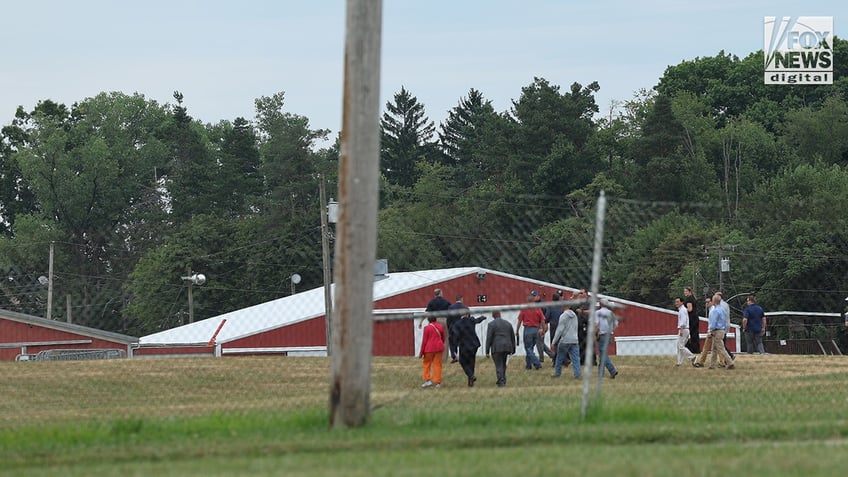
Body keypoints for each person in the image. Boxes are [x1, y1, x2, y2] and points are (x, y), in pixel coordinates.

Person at [452, 312, 487, 386]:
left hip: (464, 345)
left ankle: (471, 376)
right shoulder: (471, 320)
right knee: (472, 362)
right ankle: (471, 380)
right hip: (473, 345)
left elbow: (455, 337)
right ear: (468, 315)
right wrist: (483, 317)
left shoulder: (458, 324)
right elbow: (478, 320)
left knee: (462, 361)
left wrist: (454, 350)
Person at [551, 301, 581, 379]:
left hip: (565, 340)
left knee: (559, 357)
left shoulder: (563, 316)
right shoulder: (574, 315)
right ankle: (577, 374)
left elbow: (560, 330)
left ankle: (557, 373)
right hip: (574, 339)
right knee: (576, 358)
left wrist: (554, 341)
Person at [485, 310, 516, 387]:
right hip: (507, 346)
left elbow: (489, 338)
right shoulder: (508, 324)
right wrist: (513, 349)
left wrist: (487, 351)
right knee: (503, 364)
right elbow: (512, 337)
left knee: (498, 365)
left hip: (497, 347)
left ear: (493, 316)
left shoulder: (491, 324)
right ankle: (502, 379)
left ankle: (501, 381)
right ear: (500, 314)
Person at [516, 294, 546, 370]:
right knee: (531, 348)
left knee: (528, 348)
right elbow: (542, 320)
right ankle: (528, 365)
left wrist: (517, 330)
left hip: (528, 329)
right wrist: (543, 329)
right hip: (536, 329)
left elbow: (519, 320)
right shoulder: (538, 309)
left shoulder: (524, 308)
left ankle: (537, 363)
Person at [707, 293, 735, 370]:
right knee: (714, 348)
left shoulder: (715, 311)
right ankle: (712, 365)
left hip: (716, 330)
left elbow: (713, 322)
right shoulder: (723, 309)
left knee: (720, 348)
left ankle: (730, 362)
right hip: (722, 330)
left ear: (714, 301)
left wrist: (710, 331)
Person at [418, 316, 445, 388]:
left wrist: (421, 352)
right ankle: (437, 382)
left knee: (426, 364)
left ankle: (427, 380)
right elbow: (443, 337)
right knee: (437, 365)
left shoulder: (427, 328)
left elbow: (424, 341)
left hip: (429, 348)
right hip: (439, 347)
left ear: (428, 320)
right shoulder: (440, 327)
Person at [595, 301, 619, 379]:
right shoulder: (611, 313)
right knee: (602, 354)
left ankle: (612, 370)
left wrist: (595, 334)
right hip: (609, 335)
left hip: (601, 335)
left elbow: (596, 324)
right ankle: (600, 373)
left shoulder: (597, 313)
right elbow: (616, 324)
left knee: (603, 354)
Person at [446, 295, 470, 363]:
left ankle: (454, 356)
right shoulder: (465, 308)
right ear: (461, 299)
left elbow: (448, 319)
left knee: (452, 343)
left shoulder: (450, 308)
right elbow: (468, 319)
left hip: (453, 327)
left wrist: (449, 327)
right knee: (463, 342)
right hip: (463, 328)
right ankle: (464, 356)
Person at [675, 297, 696, 366]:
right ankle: (679, 362)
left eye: (678, 302)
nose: (676, 303)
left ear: (682, 302)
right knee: (679, 346)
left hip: (683, 329)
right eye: (676, 302)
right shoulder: (681, 310)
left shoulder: (683, 310)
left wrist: (681, 330)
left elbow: (683, 321)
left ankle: (692, 356)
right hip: (685, 329)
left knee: (680, 346)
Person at [684, 287, 700, 354]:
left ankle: (693, 349)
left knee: (692, 334)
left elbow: (690, 309)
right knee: (695, 334)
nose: (685, 293)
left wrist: (683, 310)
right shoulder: (693, 298)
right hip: (695, 317)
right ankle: (696, 349)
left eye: (686, 291)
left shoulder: (689, 299)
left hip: (691, 318)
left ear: (689, 292)